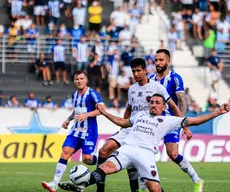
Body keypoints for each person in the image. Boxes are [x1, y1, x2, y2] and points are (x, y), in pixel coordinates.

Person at [59, 94, 230, 192]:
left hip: (146, 154)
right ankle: (81, 184)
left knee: (155, 189)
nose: (153, 105)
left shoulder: (168, 120)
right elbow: (121, 122)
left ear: (163, 107)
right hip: (126, 150)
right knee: (103, 169)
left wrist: (218, 112)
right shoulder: (139, 116)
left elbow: (195, 120)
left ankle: (81, 183)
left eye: (157, 103)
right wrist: (104, 113)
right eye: (151, 102)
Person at [96, 58, 188, 192]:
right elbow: (128, 109)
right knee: (104, 150)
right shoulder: (132, 89)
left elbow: (173, 106)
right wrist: (122, 128)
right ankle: (100, 189)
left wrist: (184, 126)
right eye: (134, 71)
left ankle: (135, 189)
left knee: (132, 159)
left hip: (145, 129)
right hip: (129, 126)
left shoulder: (156, 87)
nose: (136, 74)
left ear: (145, 70)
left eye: (139, 70)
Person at [149, 49, 203, 192]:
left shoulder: (175, 78)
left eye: (161, 60)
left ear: (168, 61)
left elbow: (181, 101)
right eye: (156, 60)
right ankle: (145, 187)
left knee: (172, 154)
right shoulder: (151, 79)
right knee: (145, 152)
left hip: (171, 121)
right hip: (153, 122)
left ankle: (197, 180)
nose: (158, 63)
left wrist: (184, 125)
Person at [41, 70, 104, 192]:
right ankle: (54, 184)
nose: (79, 81)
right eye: (77, 79)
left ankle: (104, 160)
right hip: (75, 130)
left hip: (89, 132)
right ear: (74, 81)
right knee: (65, 152)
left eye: (81, 78)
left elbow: (102, 110)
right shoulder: (75, 94)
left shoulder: (92, 94)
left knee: (87, 159)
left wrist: (86, 115)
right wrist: (68, 119)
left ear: (86, 80)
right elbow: (76, 110)